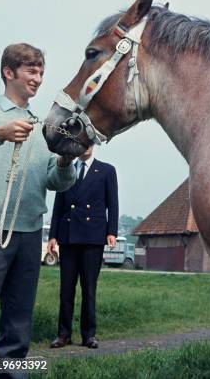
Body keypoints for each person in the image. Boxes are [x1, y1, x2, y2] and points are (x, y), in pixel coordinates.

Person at [0, 43, 76, 369]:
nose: (38, 79)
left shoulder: (45, 126)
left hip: (30, 233)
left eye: (41, 72)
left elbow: (56, 182)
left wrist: (64, 161)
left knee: (18, 327)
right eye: (32, 71)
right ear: (9, 72)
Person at [48, 145, 118, 349]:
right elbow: (58, 205)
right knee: (66, 290)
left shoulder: (106, 170)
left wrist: (111, 231)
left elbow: (112, 203)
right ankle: (63, 334)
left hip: (92, 238)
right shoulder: (67, 168)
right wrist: (53, 235)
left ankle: (89, 335)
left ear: (93, 144)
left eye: (88, 143)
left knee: (89, 289)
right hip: (68, 237)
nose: (85, 147)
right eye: (81, 143)